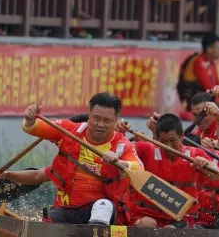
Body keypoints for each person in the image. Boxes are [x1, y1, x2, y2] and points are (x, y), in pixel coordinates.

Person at [19, 92, 141, 224]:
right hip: (66, 209)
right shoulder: (69, 130)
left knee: (103, 206)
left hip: (102, 210)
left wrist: (119, 162)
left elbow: (138, 168)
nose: (100, 124)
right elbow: (33, 128)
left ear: (116, 120)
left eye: (107, 121)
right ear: (89, 116)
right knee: (51, 220)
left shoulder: (122, 146)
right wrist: (30, 120)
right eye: (96, 118)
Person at [127, 113, 207, 228]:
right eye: (163, 141)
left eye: (173, 140)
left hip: (181, 217)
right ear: (157, 139)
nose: (168, 146)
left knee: (171, 229)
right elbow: (125, 149)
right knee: (148, 224)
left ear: (182, 137)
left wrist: (205, 163)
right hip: (146, 215)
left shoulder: (196, 154)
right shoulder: (147, 149)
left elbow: (215, 175)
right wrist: (118, 132)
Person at [176, 33, 219, 110]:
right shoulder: (198, 61)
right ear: (209, 49)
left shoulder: (211, 62)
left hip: (206, 99)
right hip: (194, 101)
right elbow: (208, 87)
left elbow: (218, 85)